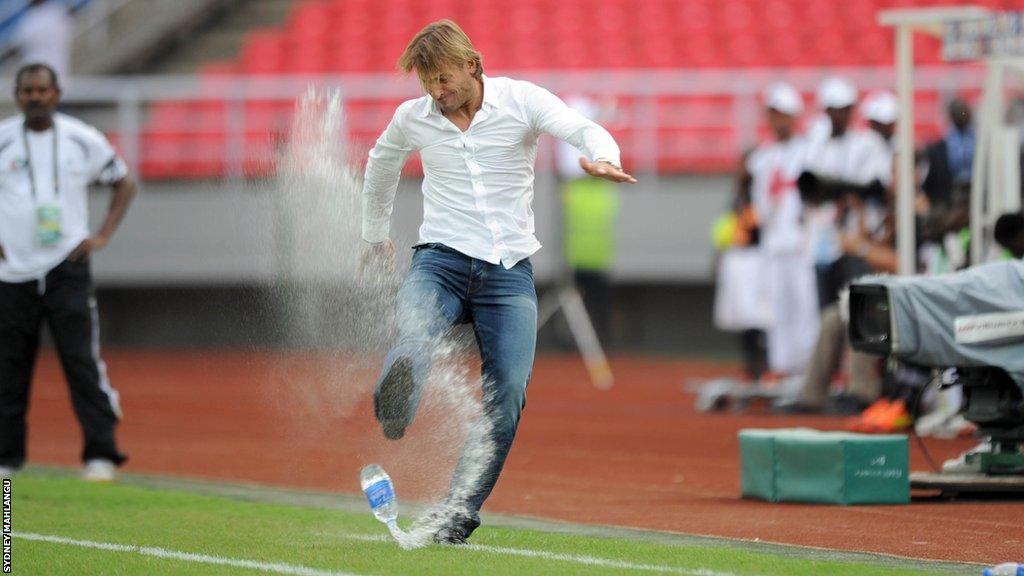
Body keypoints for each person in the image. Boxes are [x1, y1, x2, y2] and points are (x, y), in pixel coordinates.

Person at [358, 20, 634, 544]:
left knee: (507, 394)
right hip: (438, 261)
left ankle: (457, 514)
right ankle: (397, 400)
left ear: (473, 65)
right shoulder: (413, 118)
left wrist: (605, 157)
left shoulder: (520, 100)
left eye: (444, 79)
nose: (437, 93)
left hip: (508, 275)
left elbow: (580, 128)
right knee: (415, 334)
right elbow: (380, 164)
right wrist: (375, 236)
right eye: (427, 83)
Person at [0, 63, 136, 481]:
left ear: (57, 93)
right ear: (17, 94)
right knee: (8, 366)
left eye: (43, 90)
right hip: (11, 272)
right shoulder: (3, 138)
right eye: (28, 91)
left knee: (81, 360)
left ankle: (101, 454)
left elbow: (124, 181)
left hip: (66, 266)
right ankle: (7, 458)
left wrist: (102, 235)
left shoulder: (82, 138)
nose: (36, 97)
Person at [740, 83, 818, 377]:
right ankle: (781, 366)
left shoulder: (810, 151)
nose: (778, 121)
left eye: (783, 114)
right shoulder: (762, 157)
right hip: (774, 244)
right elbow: (760, 202)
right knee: (777, 307)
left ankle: (808, 369)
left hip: (802, 243)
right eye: (773, 114)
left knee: (804, 306)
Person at [921, 98, 974, 210]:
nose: (962, 114)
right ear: (951, 116)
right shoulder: (938, 148)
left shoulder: (978, 141)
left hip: (974, 198)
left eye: (964, 111)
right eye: (958, 111)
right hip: (948, 202)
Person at [4, 1, 74, 79]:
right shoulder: (59, 13)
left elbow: (14, 47)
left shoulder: (31, 18)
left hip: (42, 72)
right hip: (45, 71)